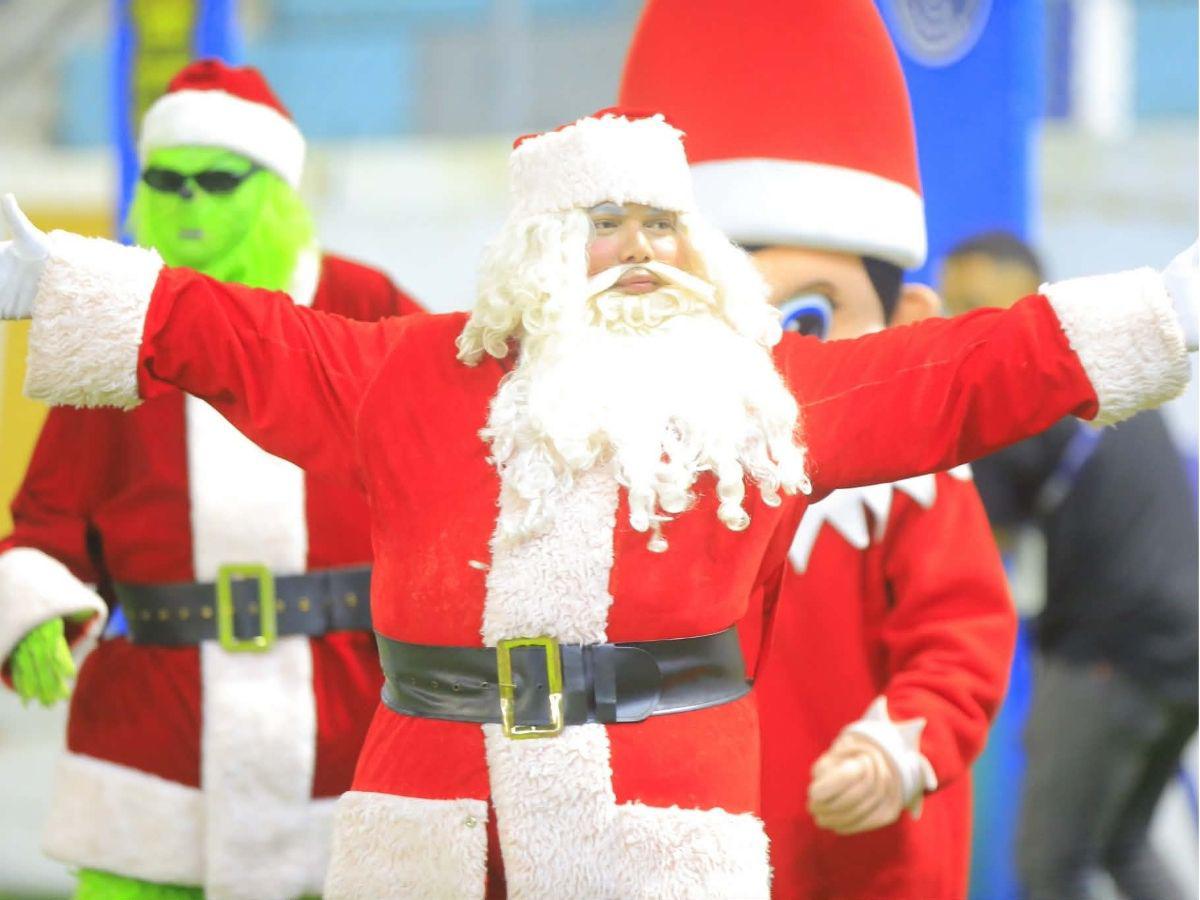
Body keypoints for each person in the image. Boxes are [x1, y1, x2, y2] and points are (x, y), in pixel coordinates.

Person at [0, 105, 1193, 898]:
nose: (640, 247)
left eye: (662, 223)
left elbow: (971, 372)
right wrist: (57, 281)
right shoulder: (409, 374)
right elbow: (240, 336)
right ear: (531, 253)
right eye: (603, 224)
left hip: (663, 819)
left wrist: (1160, 318)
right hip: (435, 815)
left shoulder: (760, 392)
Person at [0, 60, 421, 900]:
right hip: (159, 720)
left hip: (347, 706)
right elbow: (51, 510)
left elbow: (439, 463)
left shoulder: (361, 299)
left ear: (274, 185)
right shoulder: (106, 319)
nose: (188, 199)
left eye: (216, 179)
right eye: (167, 178)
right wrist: (34, 607)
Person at [620, 4, 1015, 897]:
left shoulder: (910, 485)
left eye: (806, 317)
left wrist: (899, 741)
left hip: (860, 859)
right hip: (683, 855)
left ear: (908, 325)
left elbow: (962, 637)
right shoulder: (635, 477)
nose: (771, 358)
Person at [942, 231, 1199, 900]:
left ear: (1031, 298)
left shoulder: (1010, 392)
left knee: (1048, 865)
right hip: (1183, 648)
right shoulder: (1102, 369)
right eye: (950, 304)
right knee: (1123, 844)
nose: (958, 322)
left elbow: (966, 558)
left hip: (1111, 654)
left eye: (976, 302)